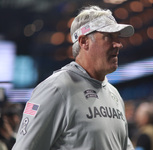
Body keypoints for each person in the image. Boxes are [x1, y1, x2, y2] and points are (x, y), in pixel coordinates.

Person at [12, 5, 135, 150]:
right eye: (108, 37)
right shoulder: (56, 89)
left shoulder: (114, 94)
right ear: (84, 42)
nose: (118, 44)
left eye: (117, 38)